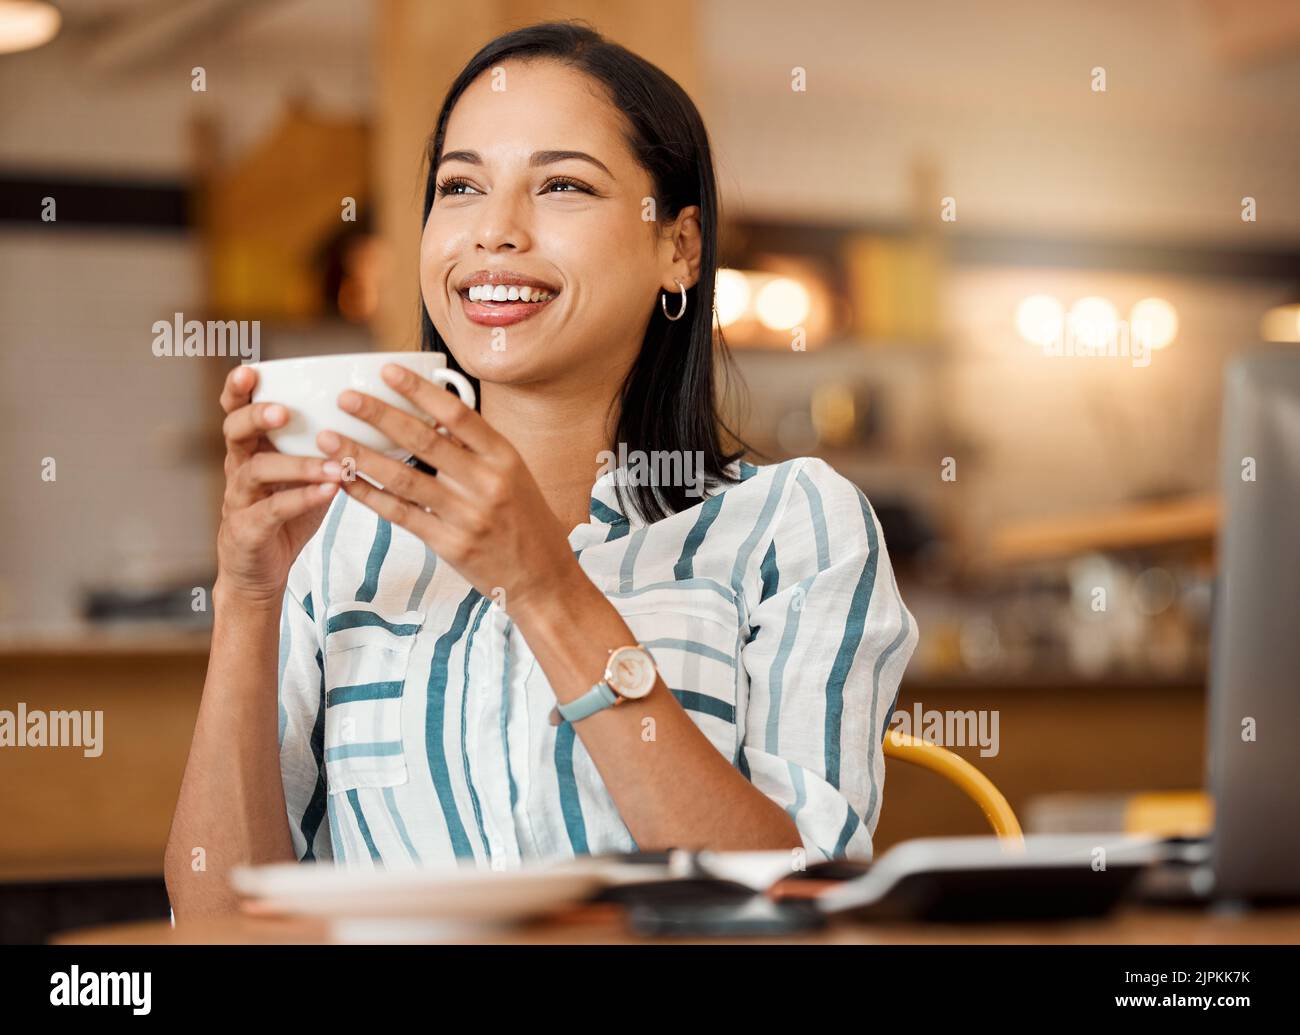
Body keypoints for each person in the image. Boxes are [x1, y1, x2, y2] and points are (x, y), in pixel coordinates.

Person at [165, 21, 917, 918]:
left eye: (561, 184)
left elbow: (797, 899)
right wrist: (248, 599)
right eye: (460, 186)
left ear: (679, 245)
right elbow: (212, 921)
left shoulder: (796, 526)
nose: (494, 231)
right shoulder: (340, 541)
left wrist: (546, 586)